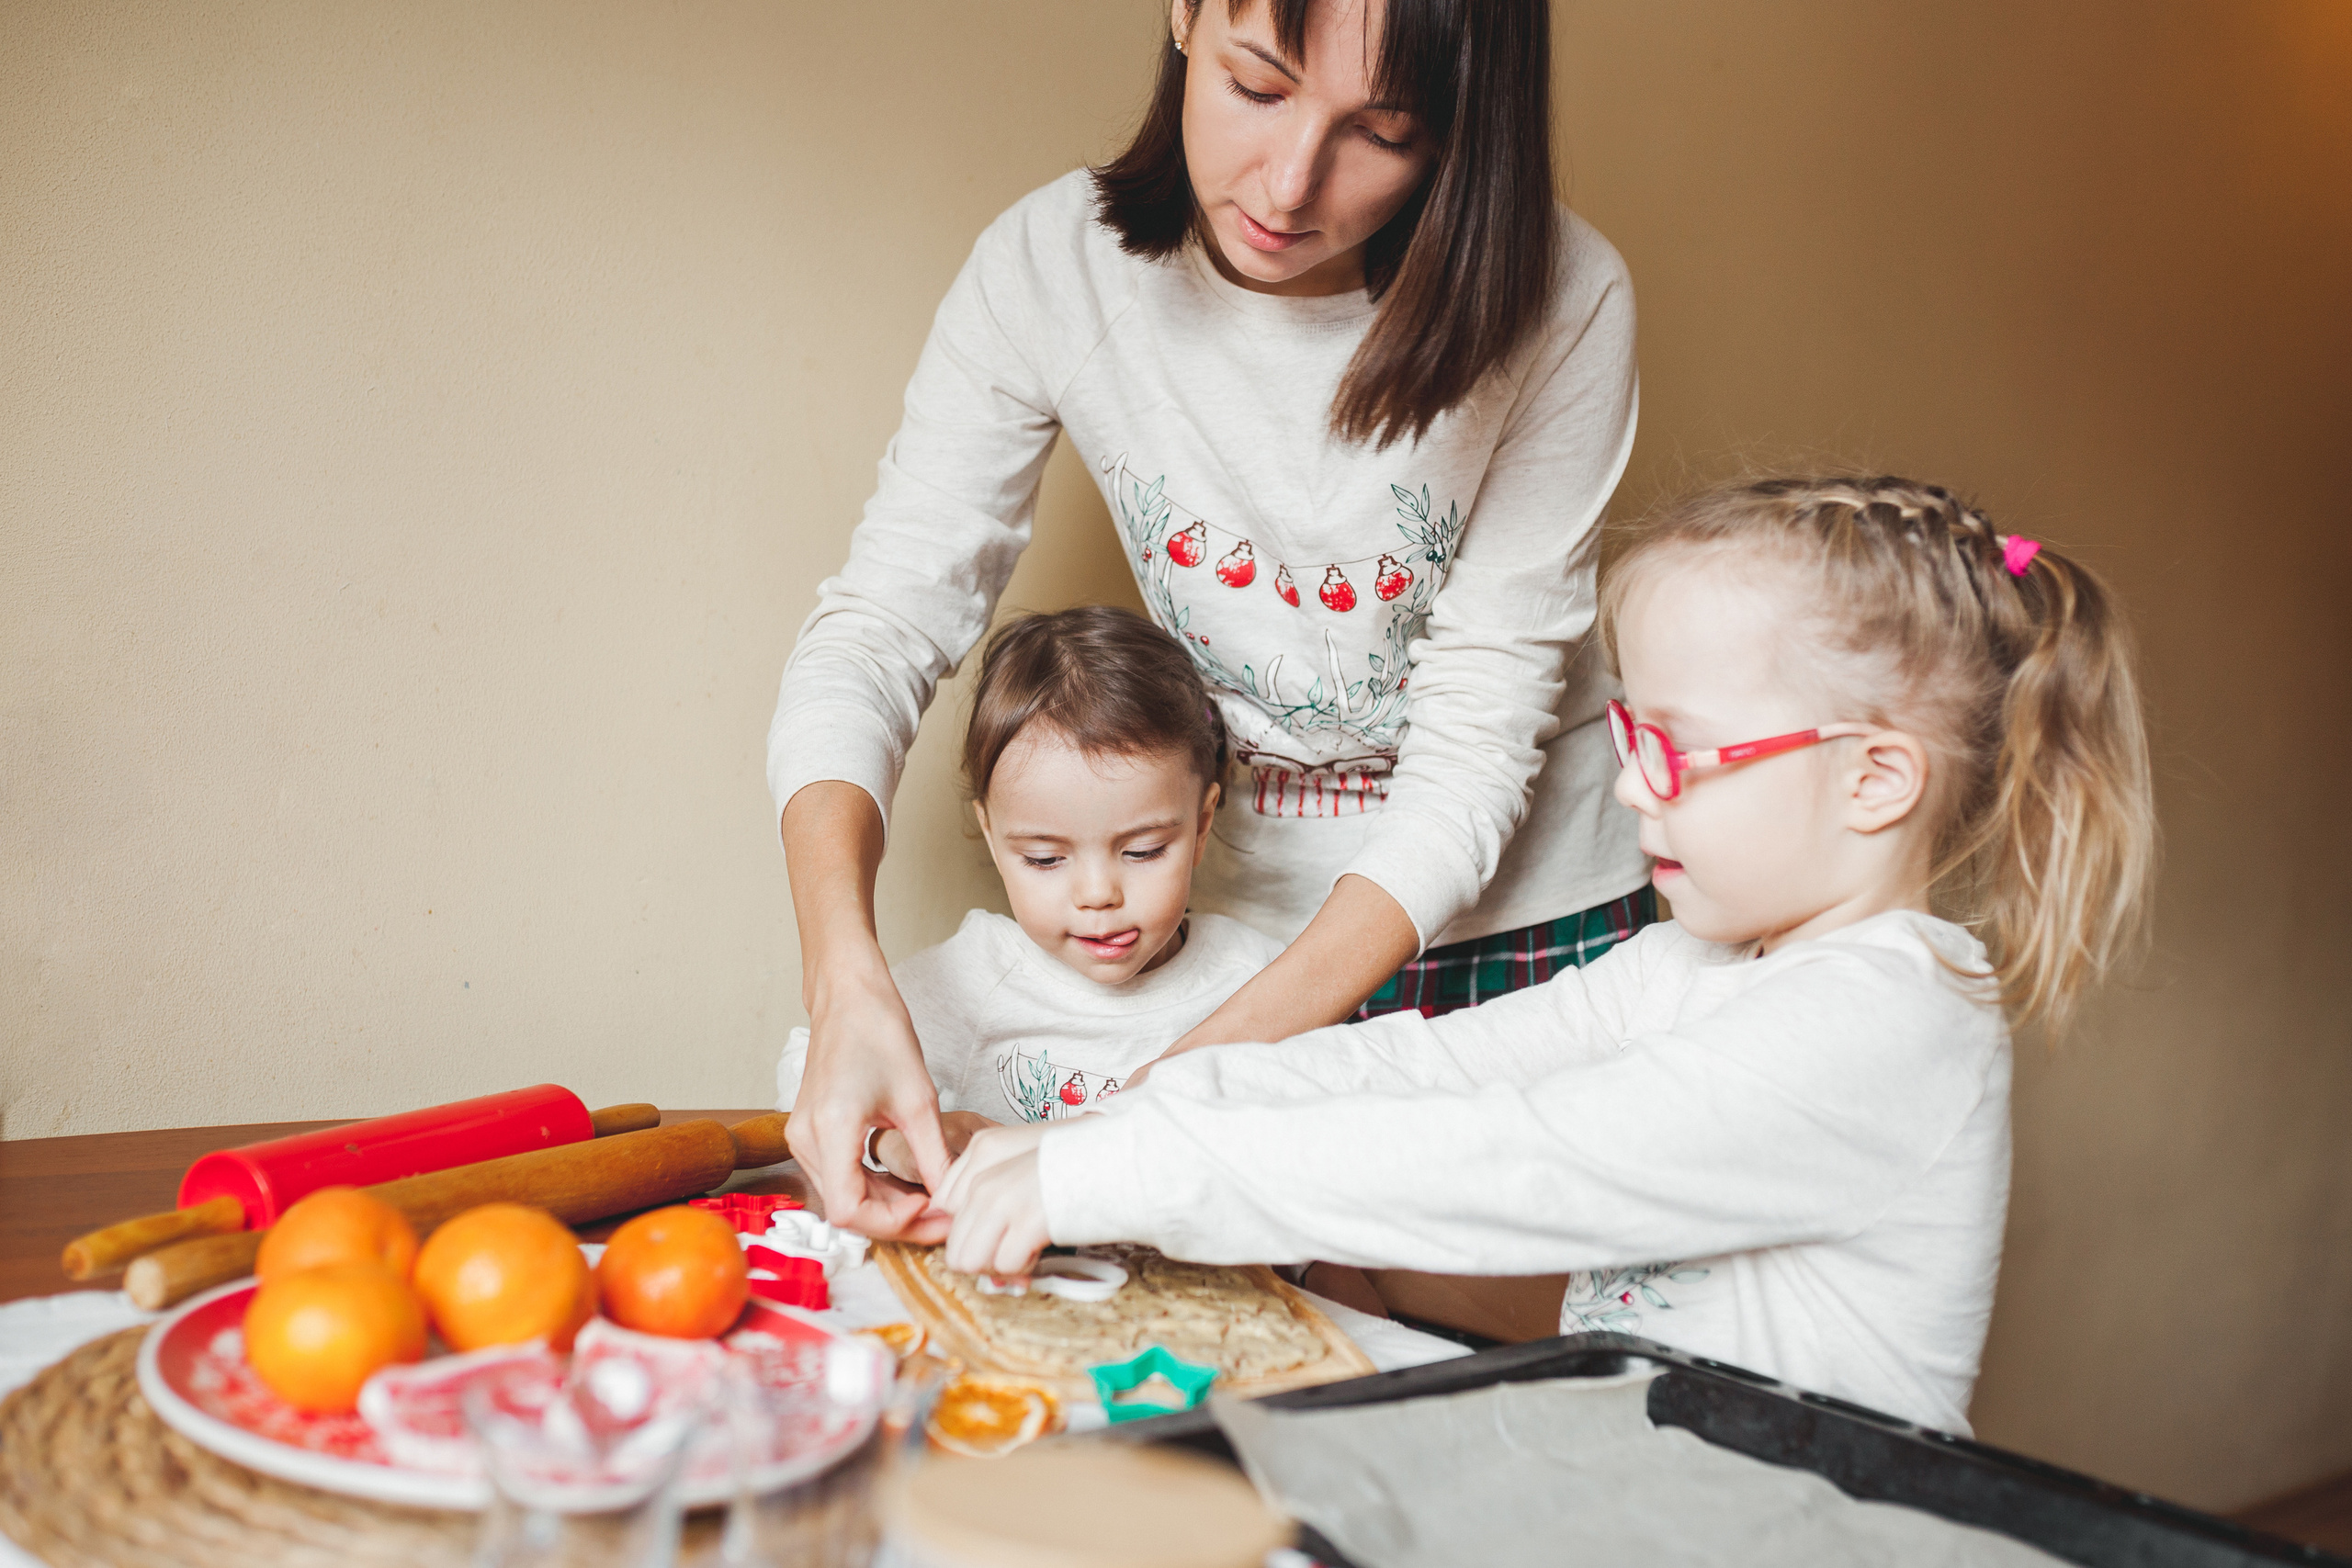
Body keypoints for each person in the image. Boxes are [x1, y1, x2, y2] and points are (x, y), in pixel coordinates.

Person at [934, 477, 2157, 1431]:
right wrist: (1106, 1127)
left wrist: (1121, 1171)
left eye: (1678, 749)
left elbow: (1512, 1159)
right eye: (1629, 731)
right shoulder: (1703, 961)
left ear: (1876, 775)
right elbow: (1431, 1068)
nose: (1629, 782)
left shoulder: (1889, 1023)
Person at [775, 0, 1651, 1240]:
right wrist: (844, 968)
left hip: (1518, 924)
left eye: (1384, 131)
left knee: (1468, 1386)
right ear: (1184, 13)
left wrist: (1140, 1110)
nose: (1293, 184)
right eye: (1257, 84)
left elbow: (1473, 752)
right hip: (1234, 935)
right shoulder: (1052, 270)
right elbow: (879, 623)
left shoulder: (1566, 298)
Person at [775, 607, 1282, 1174]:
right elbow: (810, 1063)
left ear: (1202, 823)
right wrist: (890, 1146)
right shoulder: (973, 978)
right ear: (993, 837)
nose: (1097, 895)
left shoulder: (1261, 979)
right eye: (1044, 859)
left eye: (1142, 851)